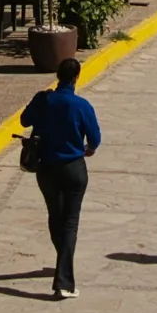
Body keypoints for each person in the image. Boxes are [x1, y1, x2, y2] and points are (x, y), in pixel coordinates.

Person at [22, 53, 101, 298]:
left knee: (55, 217)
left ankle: (62, 265)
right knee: (70, 222)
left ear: (57, 76)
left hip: (46, 169)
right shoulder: (81, 106)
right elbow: (95, 138)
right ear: (76, 77)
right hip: (74, 169)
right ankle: (64, 281)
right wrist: (89, 148)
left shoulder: (43, 100)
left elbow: (24, 120)